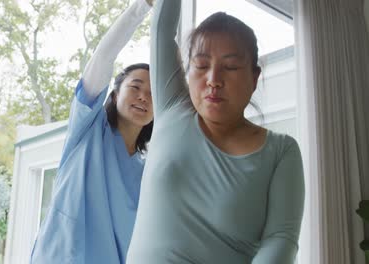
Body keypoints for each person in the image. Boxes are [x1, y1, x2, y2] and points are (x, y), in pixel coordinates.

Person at [126, 0, 305, 263]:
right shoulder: (172, 109)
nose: (213, 79)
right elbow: (161, 29)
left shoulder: (280, 151)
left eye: (230, 67)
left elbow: (281, 240)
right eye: (200, 66)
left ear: (254, 78)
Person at [30, 0, 154, 263]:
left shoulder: (149, 173)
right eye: (136, 86)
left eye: (153, 93)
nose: (144, 96)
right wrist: (142, 6)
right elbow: (103, 57)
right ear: (115, 93)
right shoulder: (87, 130)